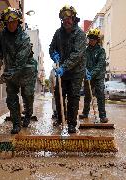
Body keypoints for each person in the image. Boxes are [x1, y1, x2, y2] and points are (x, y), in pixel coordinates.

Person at [0, 7, 37, 134]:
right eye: (8, 22)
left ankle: (28, 114)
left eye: (14, 22)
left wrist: (1, 78)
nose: (11, 24)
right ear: (5, 23)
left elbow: (19, 64)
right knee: (11, 99)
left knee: (27, 95)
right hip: (10, 72)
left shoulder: (24, 39)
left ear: (18, 22)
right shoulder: (2, 34)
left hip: (26, 71)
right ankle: (16, 124)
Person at [49, 5, 86, 133]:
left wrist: (64, 67)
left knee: (73, 97)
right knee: (59, 95)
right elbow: (52, 47)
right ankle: (60, 119)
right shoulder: (58, 33)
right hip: (62, 71)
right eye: (64, 19)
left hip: (76, 71)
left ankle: (71, 123)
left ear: (74, 18)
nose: (66, 21)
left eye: (69, 18)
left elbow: (76, 55)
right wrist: (53, 55)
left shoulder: (80, 34)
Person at [79, 28, 108, 123]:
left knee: (100, 95)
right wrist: (85, 71)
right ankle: (85, 113)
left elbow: (100, 65)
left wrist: (92, 73)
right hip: (88, 76)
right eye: (90, 39)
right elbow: (83, 63)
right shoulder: (85, 51)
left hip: (98, 76)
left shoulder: (101, 51)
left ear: (97, 40)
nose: (91, 40)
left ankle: (102, 116)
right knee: (87, 95)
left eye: (93, 39)